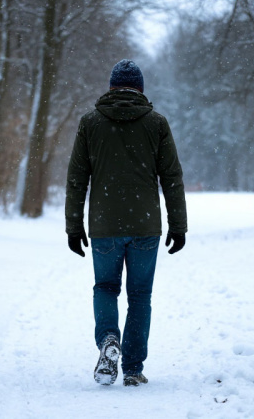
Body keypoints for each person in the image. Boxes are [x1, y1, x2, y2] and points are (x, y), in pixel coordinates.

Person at [65, 59, 187, 387]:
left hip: (104, 225)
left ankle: (108, 341)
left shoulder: (90, 123)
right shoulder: (156, 123)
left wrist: (73, 226)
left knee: (105, 287)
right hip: (145, 225)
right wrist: (179, 225)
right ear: (141, 90)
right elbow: (171, 177)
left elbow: (77, 179)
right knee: (139, 294)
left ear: (111, 88)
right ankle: (132, 368)